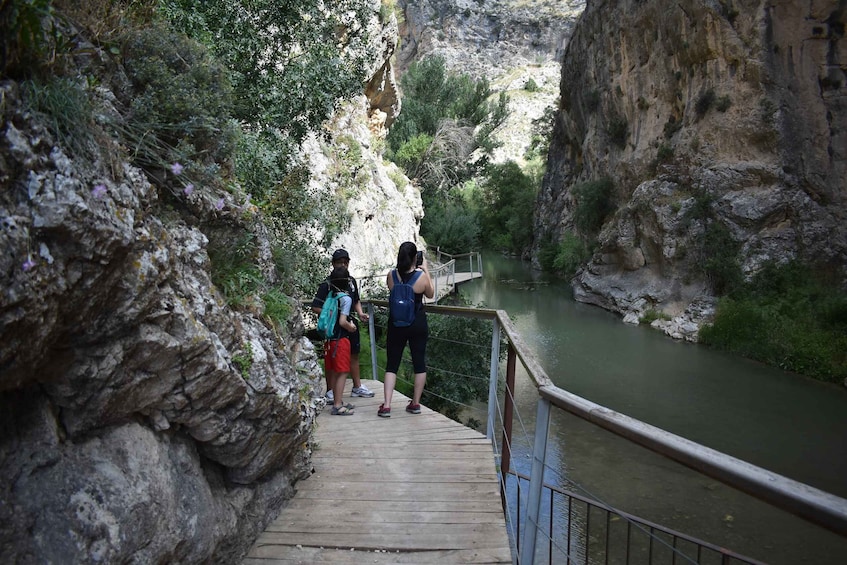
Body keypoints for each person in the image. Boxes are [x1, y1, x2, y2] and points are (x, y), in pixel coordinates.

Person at [378, 241, 434, 418]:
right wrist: (425, 269)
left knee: (392, 365)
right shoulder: (421, 277)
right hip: (417, 323)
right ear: (415, 258)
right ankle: (415, 403)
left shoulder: (391, 276)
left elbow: (393, 292)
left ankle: (386, 405)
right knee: (419, 363)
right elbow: (431, 294)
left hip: (396, 323)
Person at [312, 249, 375, 401]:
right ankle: (330, 391)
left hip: (350, 324)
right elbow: (315, 306)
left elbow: (356, 300)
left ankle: (357, 387)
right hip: (335, 328)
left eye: (345, 262)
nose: (343, 265)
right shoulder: (327, 284)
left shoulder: (351, 281)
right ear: (333, 264)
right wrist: (330, 315)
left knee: (354, 354)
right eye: (339, 262)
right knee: (332, 360)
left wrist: (360, 313)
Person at [322, 266, 358, 415]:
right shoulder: (346, 299)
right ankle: (337, 405)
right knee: (343, 372)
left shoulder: (331, 296)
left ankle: (338, 400)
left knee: (335, 372)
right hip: (341, 340)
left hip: (329, 340)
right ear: (347, 281)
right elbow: (343, 321)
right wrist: (352, 327)